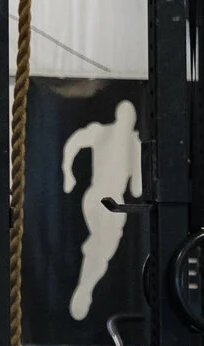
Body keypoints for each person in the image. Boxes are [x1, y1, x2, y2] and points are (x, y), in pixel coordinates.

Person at [61, 98, 143, 321]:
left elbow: (137, 189)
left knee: (100, 247)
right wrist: (67, 173)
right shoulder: (108, 134)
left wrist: (68, 172)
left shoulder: (128, 141)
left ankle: (85, 285)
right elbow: (136, 190)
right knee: (102, 250)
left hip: (99, 198)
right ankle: (86, 286)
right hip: (107, 200)